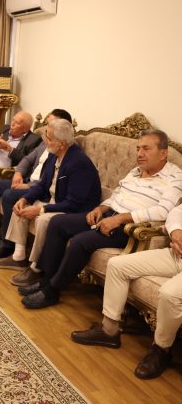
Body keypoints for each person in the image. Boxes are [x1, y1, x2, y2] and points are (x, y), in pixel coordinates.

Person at [18, 129, 182, 310]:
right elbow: (116, 195)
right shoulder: (136, 171)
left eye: (146, 149)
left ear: (163, 153)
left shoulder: (175, 178)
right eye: (138, 148)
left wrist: (120, 218)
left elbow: (163, 211)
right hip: (109, 214)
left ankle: (52, 291)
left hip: (130, 227)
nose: (140, 154)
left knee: (81, 241)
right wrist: (100, 208)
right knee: (57, 223)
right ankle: (46, 279)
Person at [71, 203, 182, 380]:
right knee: (117, 265)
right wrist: (176, 232)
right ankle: (109, 331)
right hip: (176, 254)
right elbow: (177, 211)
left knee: (170, 293)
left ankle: (162, 349)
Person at [0, 119, 102, 288]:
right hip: (55, 202)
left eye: (48, 137)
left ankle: (36, 268)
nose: (45, 140)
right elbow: (42, 185)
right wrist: (25, 199)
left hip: (76, 211)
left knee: (43, 220)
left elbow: (73, 203)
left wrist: (41, 210)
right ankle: (19, 257)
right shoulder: (53, 155)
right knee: (21, 207)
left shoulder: (79, 163)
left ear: (61, 143)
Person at [0, 109, 72, 257]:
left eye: (50, 125)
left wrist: (29, 186)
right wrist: (18, 173)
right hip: (28, 180)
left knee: (9, 195)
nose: (46, 130)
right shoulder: (45, 143)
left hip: (39, 188)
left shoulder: (63, 150)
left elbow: (50, 180)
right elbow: (27, 159)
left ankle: (7, 245)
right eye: (47, 124)